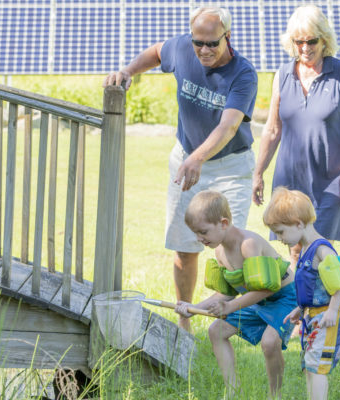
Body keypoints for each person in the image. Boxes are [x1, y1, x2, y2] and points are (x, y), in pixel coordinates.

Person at [103, 6, 258, 332]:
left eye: (211, 44)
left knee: (230, 250)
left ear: (227, 38)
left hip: (230, 167)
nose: (203, 50)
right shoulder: (183, 49)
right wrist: (128, 71)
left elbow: (229, 126)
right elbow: (158, 52)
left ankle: (228, 321)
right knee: (185, 248)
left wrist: (198, 158)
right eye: (197, 42)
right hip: (186, 159)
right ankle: (183, 325)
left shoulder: (243, 74)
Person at [252, 4, 340, 268]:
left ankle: (328, 307)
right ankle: (299, 307)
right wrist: (259, 173)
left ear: (324, 39)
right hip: (291, 179)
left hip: (332, 179)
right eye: (298, 41)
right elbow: (272, 129)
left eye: (311, 41)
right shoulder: (282, 75)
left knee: (319, 249)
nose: (305, 48)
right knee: (293, 248)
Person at [175, 190, 297, 400]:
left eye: (203, 231)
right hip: (256, 299)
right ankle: (233, 391)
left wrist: (231, 308)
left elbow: (267, 288)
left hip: (284, 298)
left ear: (223, 223)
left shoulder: (248, 244)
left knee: (269, 342)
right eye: (195, 233)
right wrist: (192, 309)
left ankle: (275, 398)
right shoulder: (220, 253)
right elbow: (225, 294)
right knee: (217, 330)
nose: (198, 238)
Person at [263, 187, 340, 400]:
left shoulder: (322, 249)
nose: (279, 238)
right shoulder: (304, 249)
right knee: (309, 364)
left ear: (298, 223)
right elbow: (312, 287)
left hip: (326, 317)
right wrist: (299, 308)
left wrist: (333, 309)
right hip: (311, 317)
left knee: (318, 367)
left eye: (281, 232)